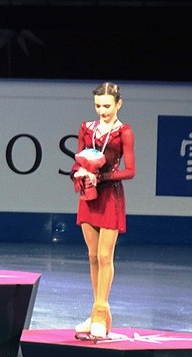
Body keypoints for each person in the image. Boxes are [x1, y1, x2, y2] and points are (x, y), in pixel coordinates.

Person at [70, 82, 135, 338]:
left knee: (106, 257)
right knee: (93, 257)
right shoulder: (86, 128)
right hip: (89, 196)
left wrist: (103, 176)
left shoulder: (124, 132)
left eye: (107, 106)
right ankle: (99, 314)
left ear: (118, 104)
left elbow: (130, 170)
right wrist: (81, 173)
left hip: (110, 197)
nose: (102, 111)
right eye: (98, 106)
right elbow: (76, 161)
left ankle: (99, 313)